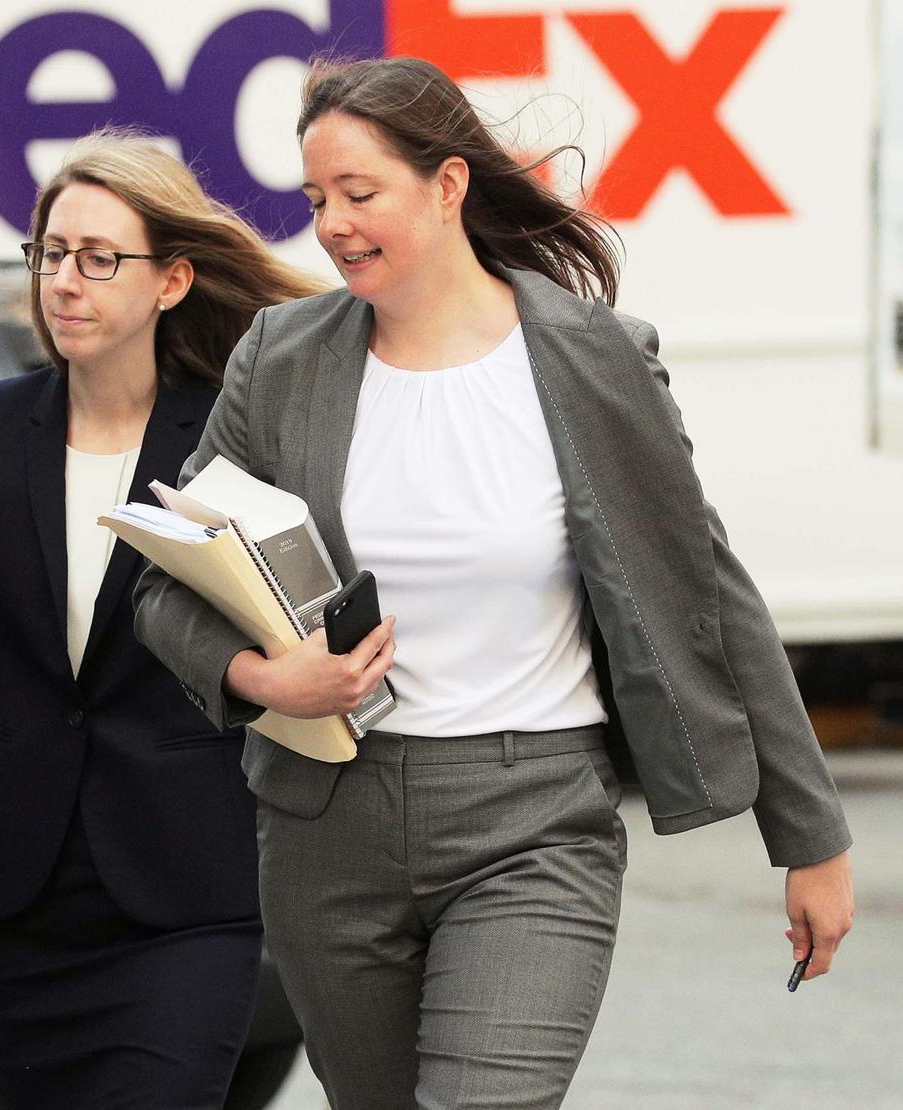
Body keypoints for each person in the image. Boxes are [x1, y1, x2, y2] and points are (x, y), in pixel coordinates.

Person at [133, 57, 855, 1110]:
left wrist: (811, 837)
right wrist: (262, 677)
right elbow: (167, 582)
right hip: (326, 830)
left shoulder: (595, 361)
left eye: (360, 193)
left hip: (534, 823)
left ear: (449, 185)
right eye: (317, 199)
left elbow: (709, 594)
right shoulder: (283, 358)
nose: (331, 224)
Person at [0, 129, 324, 1110]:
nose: (65, 280)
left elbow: (283, 628)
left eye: (98, 258)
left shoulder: (228, 438)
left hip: (186, 896)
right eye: (50, 254)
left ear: (173, 281)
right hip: (17, 906)